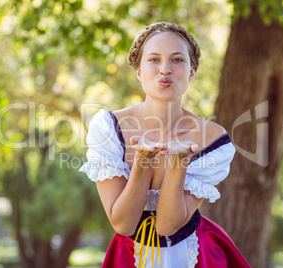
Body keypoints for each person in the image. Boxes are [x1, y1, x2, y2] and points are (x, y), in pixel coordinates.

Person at [79, 22, 250, 268]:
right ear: (138, 71)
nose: (165, 70)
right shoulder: (110, 126)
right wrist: (143, 161)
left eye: (177, 60)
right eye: (154, 59)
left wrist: (179, 162)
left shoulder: (213, 138)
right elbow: (123, 224)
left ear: (191, 72)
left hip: (197, 253)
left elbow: (168, 225)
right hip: (130, 254)